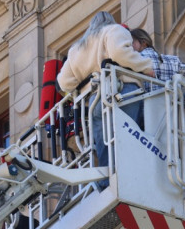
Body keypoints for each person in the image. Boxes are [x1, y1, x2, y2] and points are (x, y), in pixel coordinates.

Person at [58, 12, 156, 188]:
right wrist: (146, 66)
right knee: (130, 134)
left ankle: (107, 183)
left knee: (104, 143)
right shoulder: (114, 30)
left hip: (95, 101)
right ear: (109, 22)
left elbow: (63, 82)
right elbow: (120, 53)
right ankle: (134, 177)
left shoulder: (77, 48)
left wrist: (84, 86)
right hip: (124, 91)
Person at [128, 28, 185, 109]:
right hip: (170, 116)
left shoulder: (134, 60)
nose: (130, 47)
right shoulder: (173, 61)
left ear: (144, 42)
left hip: (144, 116)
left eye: (132, 42)